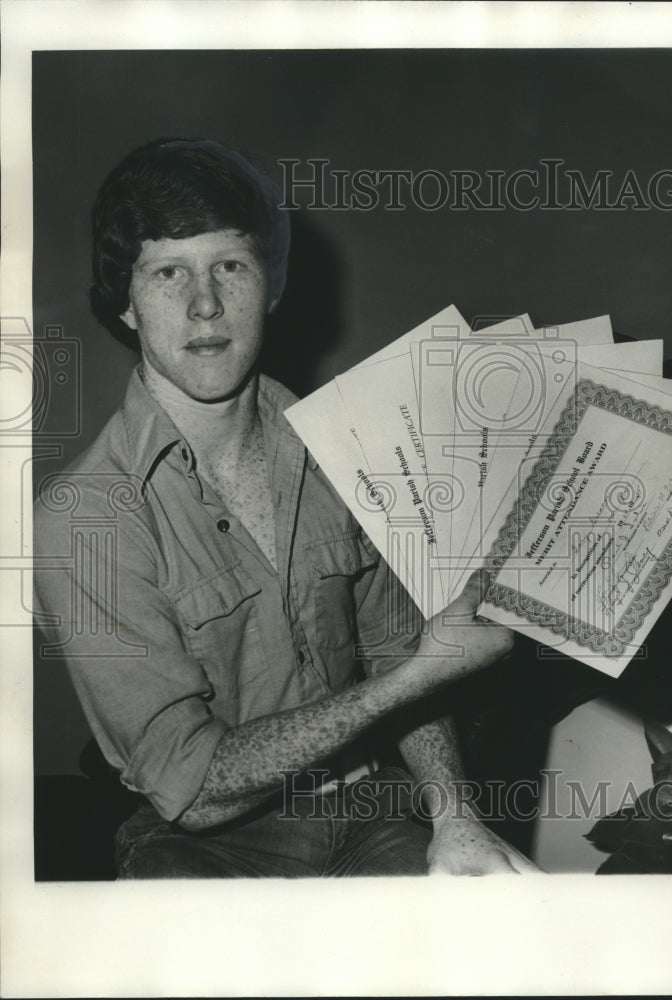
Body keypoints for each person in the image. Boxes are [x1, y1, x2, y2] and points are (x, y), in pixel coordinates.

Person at [34, 138, 539, 878]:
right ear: (126, 304)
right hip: (206, 847)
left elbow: (400, 647)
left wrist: (455, 818)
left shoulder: (348, 447)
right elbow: (195, 787)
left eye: (230, 266)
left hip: (374, 813)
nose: (205, 305)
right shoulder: (82, 520)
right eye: (168, 272)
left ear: (270, 284)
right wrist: (414, 678)